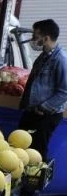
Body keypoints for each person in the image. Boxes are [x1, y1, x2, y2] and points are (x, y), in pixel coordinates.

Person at [18, 19, 67, 160]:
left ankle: (34, 181)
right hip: (32, 111)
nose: (33, 40)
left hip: (46, 115)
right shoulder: (43, 57)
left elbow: (64, 91)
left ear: (46, 38)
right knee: (20, 145)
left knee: (37, 150)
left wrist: (43, 107)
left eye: (35, 37)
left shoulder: (61, 60)